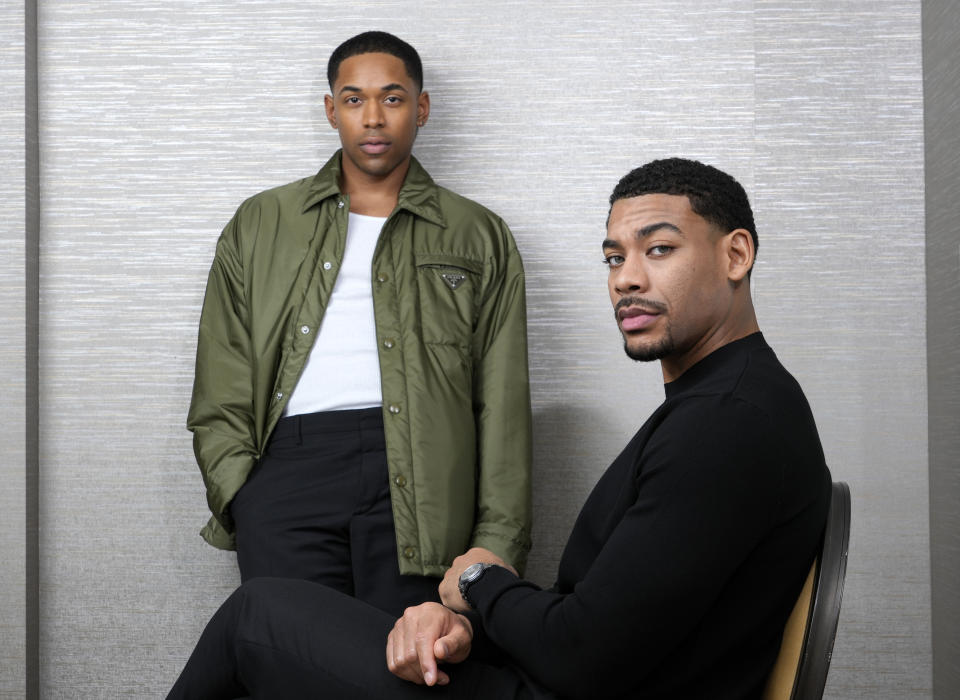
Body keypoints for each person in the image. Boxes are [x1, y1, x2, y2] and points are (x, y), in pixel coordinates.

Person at [169, 158, 832, 699]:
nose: (627, 278)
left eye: (658, 249)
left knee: (253, 620)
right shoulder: (728, 404)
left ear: (735, 255)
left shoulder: (728, 426)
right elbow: (609, 622)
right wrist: (463, 624)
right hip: (544, 679)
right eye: (612, 258)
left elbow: (582, 656)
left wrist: (479, 582)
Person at [186, 31, 532, 617]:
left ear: (421, 108)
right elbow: (221, 374)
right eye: (354, 99)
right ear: (331, 110)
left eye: (393, 99)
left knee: (409, 665)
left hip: (424, 482)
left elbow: (502, 405)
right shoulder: (262, 222)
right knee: (290, 663)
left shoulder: (478, 234)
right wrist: (244, 494)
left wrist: (495, 541)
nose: (373, 117)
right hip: (288, 473)